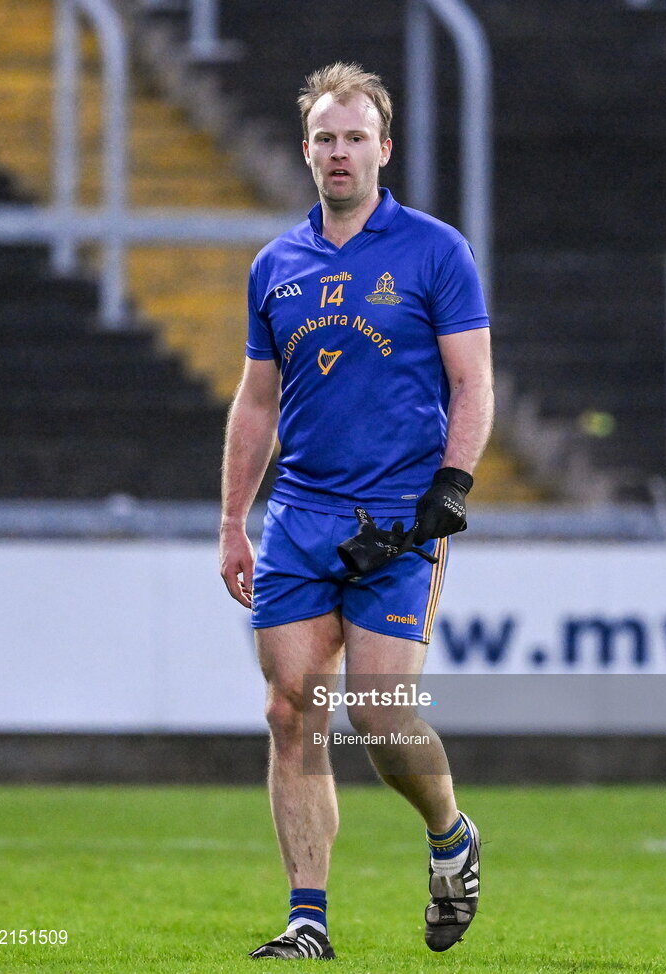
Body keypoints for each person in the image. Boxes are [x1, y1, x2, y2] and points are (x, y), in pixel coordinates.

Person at [219, 62, 494, 960]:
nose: (340, 154)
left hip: (398, 518)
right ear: (307, 152)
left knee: (380, 712)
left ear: (384, 147)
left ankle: (450, 837)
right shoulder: (276, 265)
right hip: (300, 515)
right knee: (290, 710)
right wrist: (233, 522)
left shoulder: (435, 251)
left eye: (355, 138)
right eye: (325, 140)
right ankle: (307, 920)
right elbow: (256, 402)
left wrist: (450, 488)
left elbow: (472, 382)